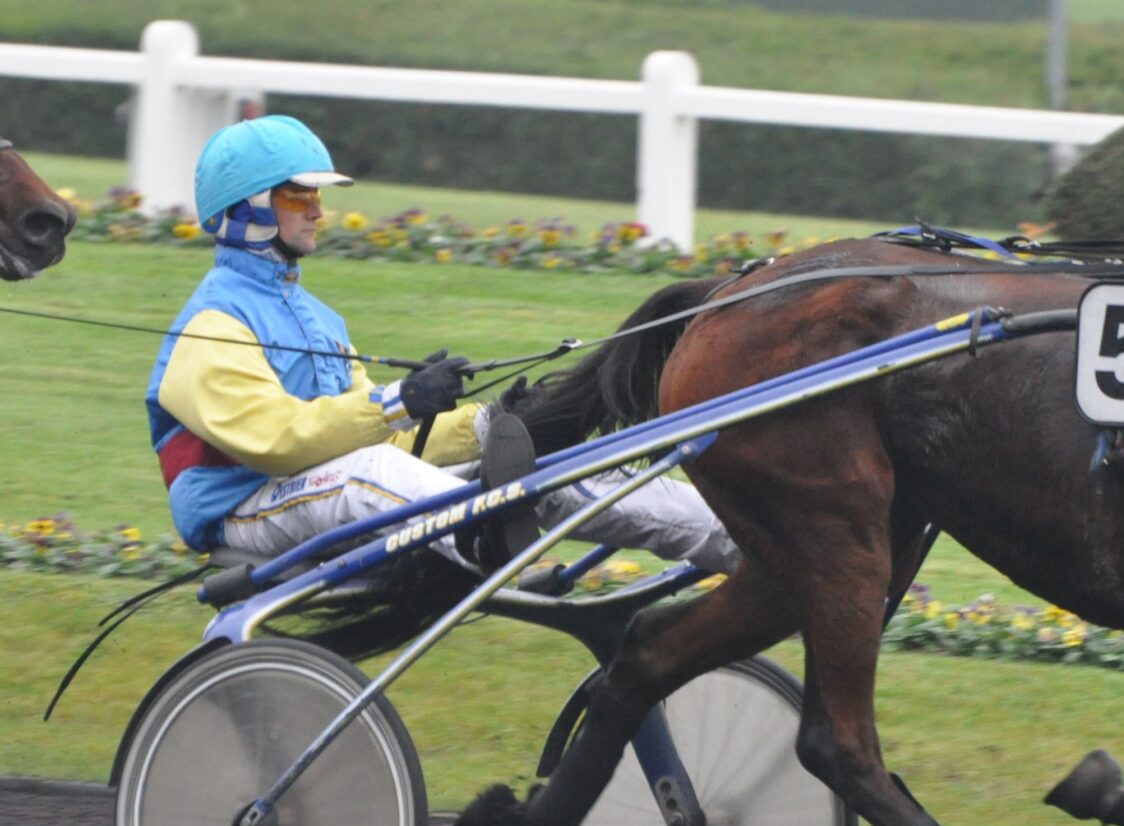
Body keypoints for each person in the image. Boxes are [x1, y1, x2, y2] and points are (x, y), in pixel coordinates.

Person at [146, 115, 737, 574]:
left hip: (324, 485)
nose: (319, 212)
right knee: (369, 473)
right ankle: (488, 547)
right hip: (242, 509)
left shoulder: (318, 317)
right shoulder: (211, 325)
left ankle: (740, 539)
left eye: (318, 197)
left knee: (544, 465)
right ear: (247, 207)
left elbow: (388, 438)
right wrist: (398, 399)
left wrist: (488, 423)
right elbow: (277, 441)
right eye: (300, 196)